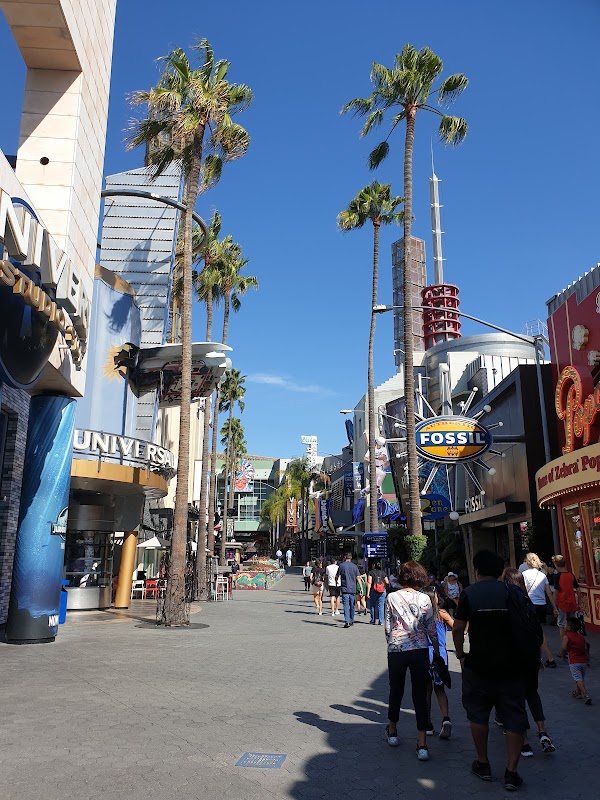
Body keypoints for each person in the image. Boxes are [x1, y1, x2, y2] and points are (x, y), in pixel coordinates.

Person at [453, 550, 529, 792]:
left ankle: (483, 764)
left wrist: (460, 654)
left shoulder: (470, 594)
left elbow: (458, 628)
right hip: (512, 665)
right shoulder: (513, 592)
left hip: (479, 664)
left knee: (478, 714)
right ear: (500, 571)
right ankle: (511, 772)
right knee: (515, 717)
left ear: (476, 570)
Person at [384, 560, 440, 761]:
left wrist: (392, 642)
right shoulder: (425, 598)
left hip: (397, 649)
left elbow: (388, 627)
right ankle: (422, 742)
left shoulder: (391, 597)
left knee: (395, 690)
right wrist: (436, 649)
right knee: (420, 694)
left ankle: (392, 731)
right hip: (420, 650)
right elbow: (431, 627)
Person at [501, 568, 556, 756]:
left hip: (513, 658)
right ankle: (542, 731)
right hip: (531, 657)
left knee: (517, 698)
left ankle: (524, 741)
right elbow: (538, 633)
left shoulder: (505, 603)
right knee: (532, 693)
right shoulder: (527, 603)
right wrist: (539, 656)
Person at [423, 588, 453, 740]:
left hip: (424, 654)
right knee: (440, 689)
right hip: (440, 654)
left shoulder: (421, 615)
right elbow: (456, 627)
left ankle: (427, 724)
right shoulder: (442, 614)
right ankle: (446, 719)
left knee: (426, 689)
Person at [521, 552, 558, 667]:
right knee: (539, 632)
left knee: (529, 632)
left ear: (527, 562)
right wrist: (554, 607)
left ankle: (541, 658)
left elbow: (524, 592)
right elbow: (549, 593)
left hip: (529, 606)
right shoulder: (542, 575)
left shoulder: (524, 574)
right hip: (541, 605)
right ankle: (546, 658)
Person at [560, 617, 592, 704]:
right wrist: (588, 660)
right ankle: (578, 692)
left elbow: (563, 648)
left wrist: (563, 656)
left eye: (566, 624)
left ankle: (585, 694)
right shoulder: (581, 637)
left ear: (569, 628)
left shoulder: (566, 637)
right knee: (580, 678)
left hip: (574, 661)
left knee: (578, 678)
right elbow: (586, 649)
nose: (564, 625)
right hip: (583, 661)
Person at [552, 554, 581, 639]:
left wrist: (554, 607)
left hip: (562, 604)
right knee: (573, 624)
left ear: (556, 565)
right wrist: (579, 603)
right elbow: (578, 589)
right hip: (572, 603)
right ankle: (576, 642)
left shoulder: (557, 576)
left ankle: (565, 645)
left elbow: (556, 592)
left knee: (562, 624)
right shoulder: (571, 575)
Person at [337, 553, 360, 628]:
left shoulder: (341, 565)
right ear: (351, 558)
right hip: (352, 589)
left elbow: (337, 575)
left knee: (346, 606)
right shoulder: (354, 566)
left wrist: (337, 582)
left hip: (344, 588)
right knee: (352, 606)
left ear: (345, 557)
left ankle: (347, 621)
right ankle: (352, 620)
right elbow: (358, 577)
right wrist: (361, 588)